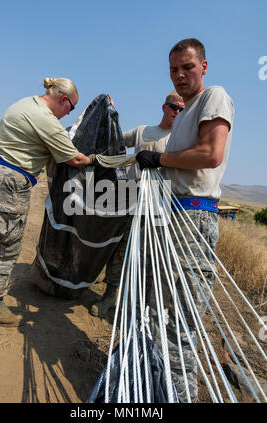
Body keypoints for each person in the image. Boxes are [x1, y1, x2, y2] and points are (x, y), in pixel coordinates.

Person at [136, 38, 235, 402]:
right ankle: (150, 388)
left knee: (180, 323)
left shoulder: (215, 97)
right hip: (171, 215)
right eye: (174, 70)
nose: (180, 75)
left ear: (204, 67)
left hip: (193, 218)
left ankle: (177, 397)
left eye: (187, 67)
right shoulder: (185, 115)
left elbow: (210, 154)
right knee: (156, 310)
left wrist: (159, 160)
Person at [0, 77, 95, 327]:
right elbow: (74, 159)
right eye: (72, 107)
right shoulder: (45, 119)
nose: (69, 113)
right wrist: (95, 160)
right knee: (6, 246)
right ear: (63, 99)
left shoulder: (25, 104)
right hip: (8, 182)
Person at [89, 90, 184, 318]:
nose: (177, 112)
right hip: (129, 198)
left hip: (157, 205)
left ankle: (138, 307)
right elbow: (115, 138)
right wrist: (109, 112)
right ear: (164, 107)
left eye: (182, 109)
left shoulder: (179, 141)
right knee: (119, 247)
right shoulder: (144, 131)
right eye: (174, 107)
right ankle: (110, 296)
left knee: (148, 256)